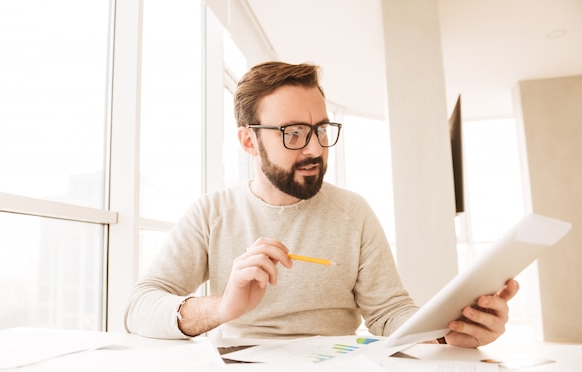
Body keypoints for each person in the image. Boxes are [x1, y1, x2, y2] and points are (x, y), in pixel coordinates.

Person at [124, 61, 519, 348]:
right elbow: (140, 307)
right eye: (293, 133)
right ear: (249, 142)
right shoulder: (212, 213)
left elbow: (387, 313)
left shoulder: (354, 213)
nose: (314, 148)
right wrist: (221, 307)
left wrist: (448, 332)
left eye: (321, 129)